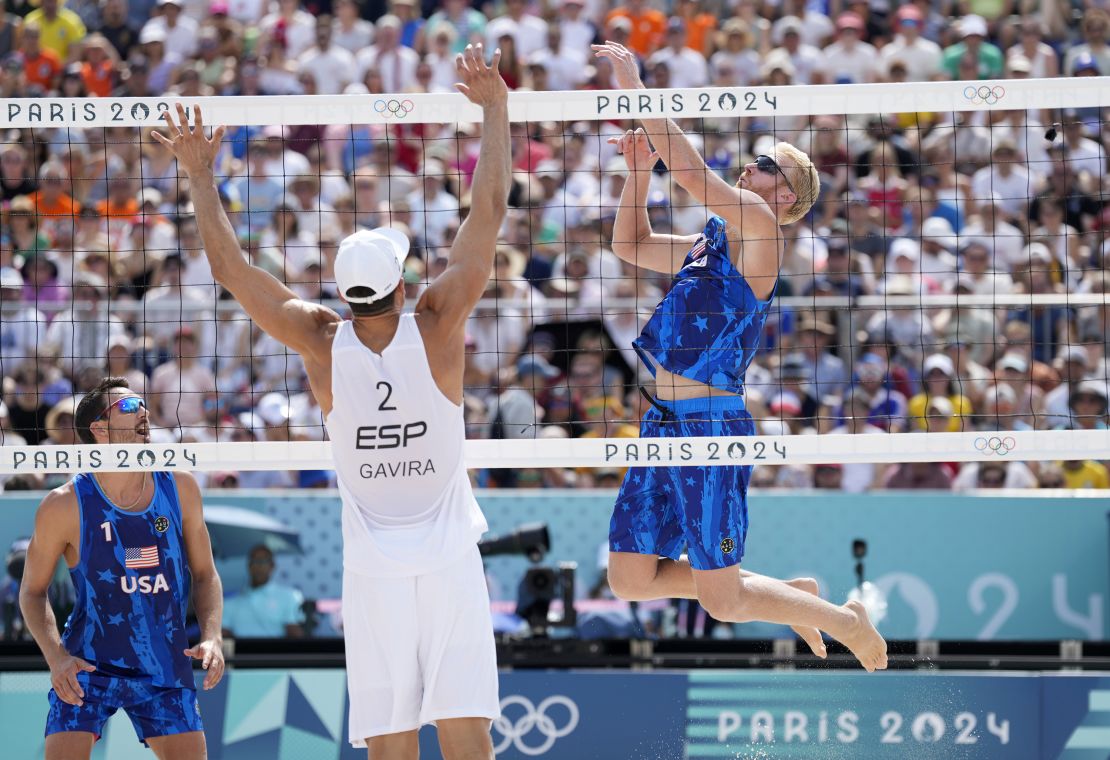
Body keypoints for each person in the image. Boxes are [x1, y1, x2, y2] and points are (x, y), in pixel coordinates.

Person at [154, 43, 509, 759]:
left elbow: (230, 269)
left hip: (372, 568)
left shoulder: (319, 340)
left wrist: (200, 173)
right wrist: (496, 109)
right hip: (446, 560)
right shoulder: (438, 324)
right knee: (466, 732)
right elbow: (490, 209)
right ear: (403, 286)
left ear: (343, 297)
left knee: (388, 740)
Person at [592, 40, 887, 673]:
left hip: (708, 427)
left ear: (785, 195)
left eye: (759, 166)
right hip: (661, 421)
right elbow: (630, 244)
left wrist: (637, 92)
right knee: (630, 578)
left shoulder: (760, 227)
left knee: (722, 603)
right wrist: (638, 169)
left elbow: (696, 176)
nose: (746, 171)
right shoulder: (711, 246)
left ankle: (843, 622)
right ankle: (793, 597)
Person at [19, 377, 224, 760]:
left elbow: (205, 574)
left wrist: (212, 636)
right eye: (129, 408)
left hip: (163, 660)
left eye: (142, 403)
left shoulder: (179, 486)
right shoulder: (63, 505)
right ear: (99, 428)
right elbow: (31, 591)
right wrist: (56, 657)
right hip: (88, 663)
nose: (143, 411)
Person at [222, 544, 306, 638]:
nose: (257, 566)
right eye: (253, 561)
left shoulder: (290, 596)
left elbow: (296, 634)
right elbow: (223, 635)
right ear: (249, 566)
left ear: (272, 565)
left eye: (262, 561)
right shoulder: (230, 603)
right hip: (241, 653)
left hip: (275, 652)